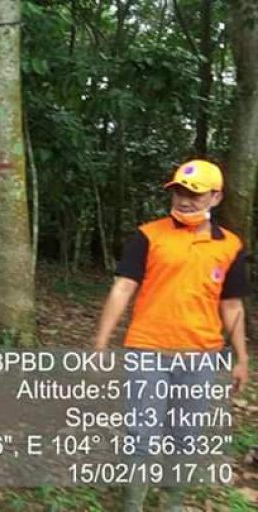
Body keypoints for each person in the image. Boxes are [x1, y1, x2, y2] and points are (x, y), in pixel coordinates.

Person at [94, 159, 250, 512]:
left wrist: (241, 358)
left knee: (186, 435)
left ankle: (172, 502)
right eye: (179, 191)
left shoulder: (230, 246)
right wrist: (101, 342)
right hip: (148, 349)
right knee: (142, 432)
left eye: (195, 194)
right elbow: (123, 288)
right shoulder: (149, 236)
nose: (185, 200)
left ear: (216, 197)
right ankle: (133, 504)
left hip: (201, 355)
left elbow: (232, 306)